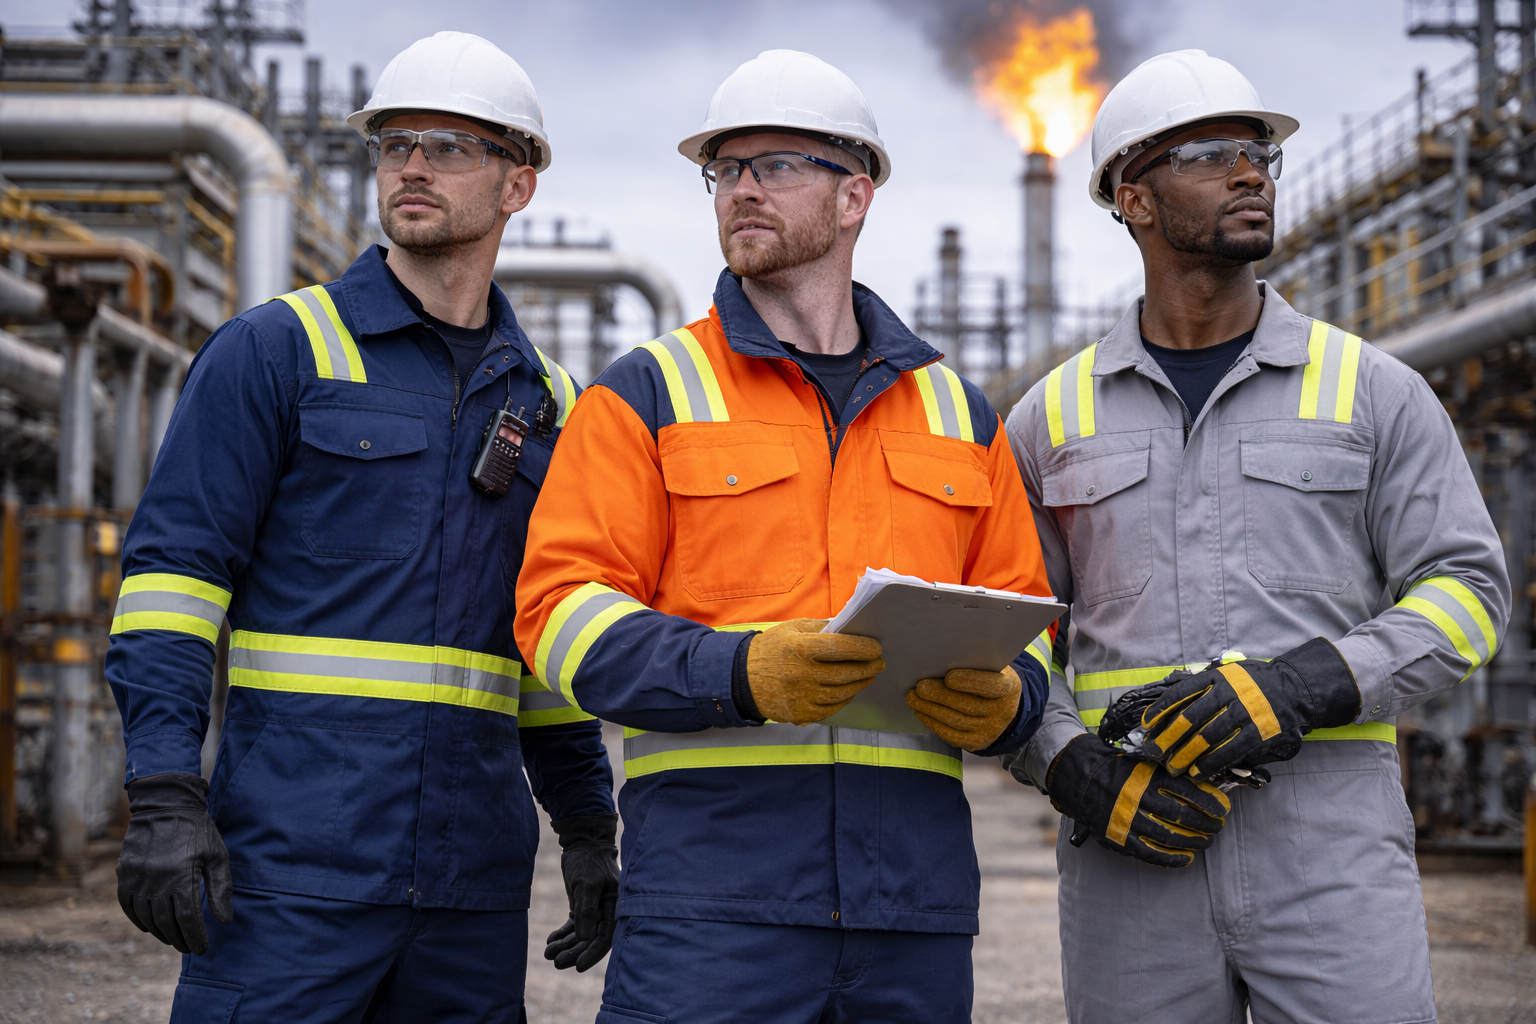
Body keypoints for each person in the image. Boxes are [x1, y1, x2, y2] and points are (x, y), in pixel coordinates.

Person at [514, 49, 1055, 1024]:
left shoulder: (955, 411)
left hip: (912, 917)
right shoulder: (648, 394)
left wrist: (1012, 702)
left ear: (856, 197)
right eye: (726, 170)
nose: (743, 190)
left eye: (777, 166)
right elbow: (559, 614)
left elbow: (1023, 615)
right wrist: (736, 671)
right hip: (713, 913)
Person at [106, 32, 618, 1023]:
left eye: (449, 147)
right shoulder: (276, 353)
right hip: (290, 876)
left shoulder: (551, 401)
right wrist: (163, 793)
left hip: (470, 891)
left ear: (519, 185)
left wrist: (588, 823)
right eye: (394, 145)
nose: (413, 166)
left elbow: (541, 646)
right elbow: (172, 584)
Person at [1003, 49, 1511, 1024]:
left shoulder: (1372, 390)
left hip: (1329, 849)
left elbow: (1468, 590)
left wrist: (1309, 680)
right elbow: (1011, 635)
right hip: (1132, 848)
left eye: (1259, 154)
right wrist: (1073, 769)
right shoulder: (1048, 420)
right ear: (1131, 197)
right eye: (1211, 154)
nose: (1250, 173)